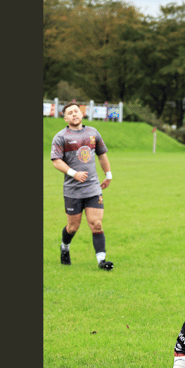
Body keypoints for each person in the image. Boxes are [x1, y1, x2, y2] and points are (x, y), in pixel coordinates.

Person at [50, 101, 114, 270]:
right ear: (65, 118)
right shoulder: (60, 137)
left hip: (93, 188)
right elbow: (56, 161)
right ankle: (65, 247)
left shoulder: (93, 133)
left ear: (82, 114)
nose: (74, 114)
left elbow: (102, 156)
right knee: (73, 227)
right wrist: (74, 173)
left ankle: (102, 261)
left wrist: (108, 175)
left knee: (96, 223)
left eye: (76, 111)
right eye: (70, 113)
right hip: (72, 190)